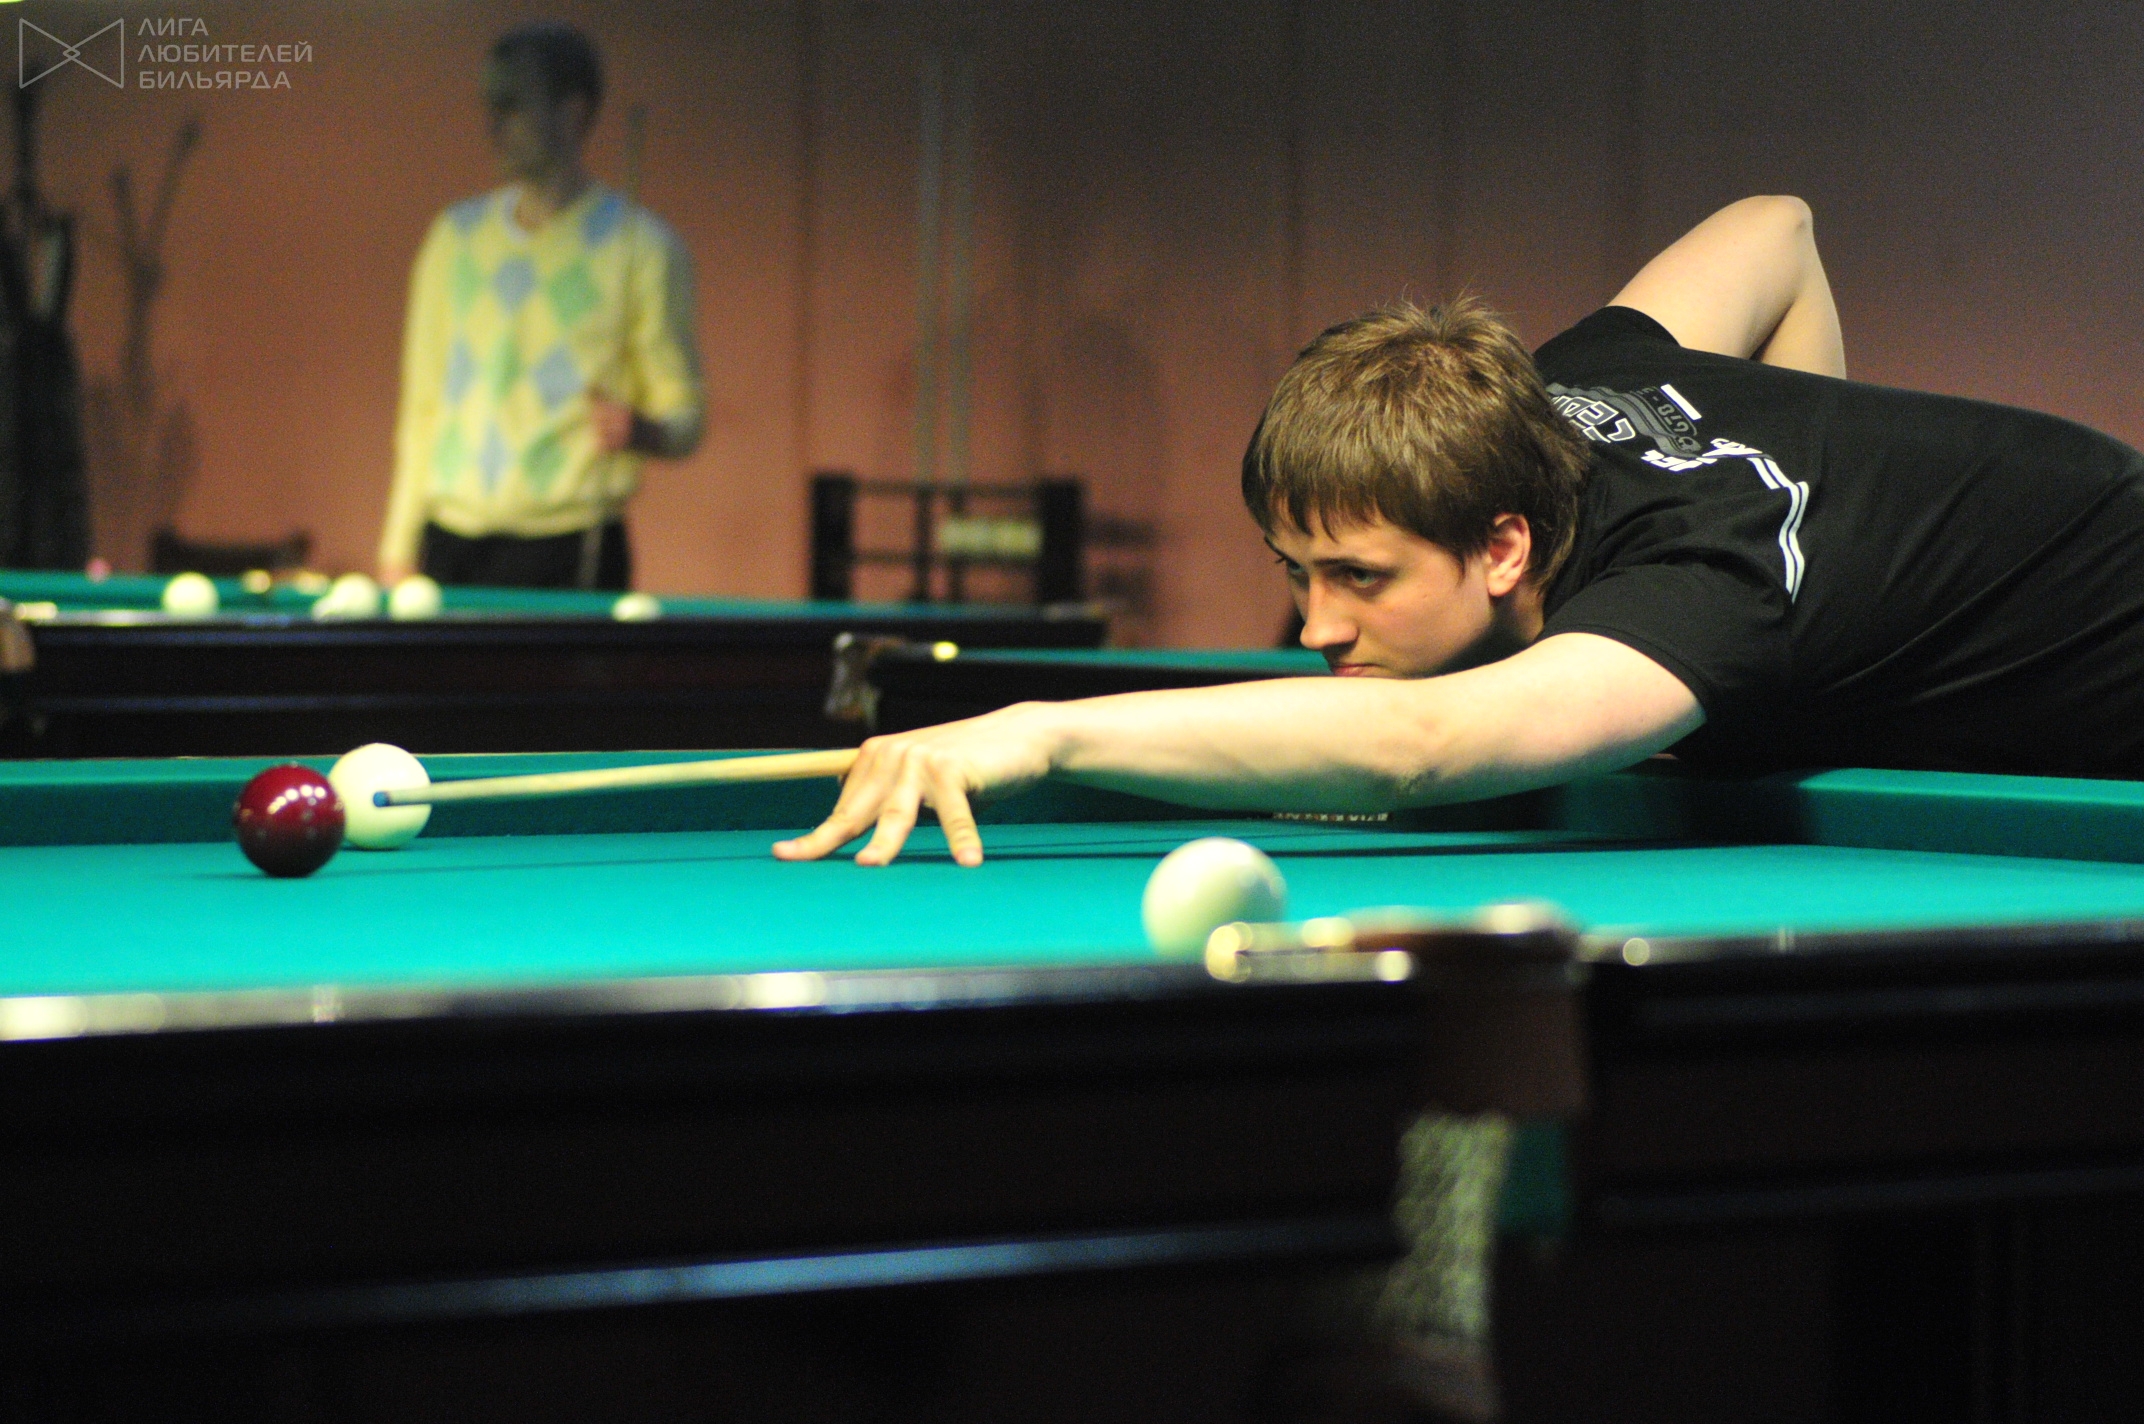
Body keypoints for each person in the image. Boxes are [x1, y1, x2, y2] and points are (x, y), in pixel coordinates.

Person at [774, 194, 2144, 867]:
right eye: (1297, 573)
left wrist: (1039, 731)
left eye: (1358, 578)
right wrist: (1832, 516)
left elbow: (1420, 746)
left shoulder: (1695, 582)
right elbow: (1774, 228)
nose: (1315, 628)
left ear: (1501, 549)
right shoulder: (1547, 399)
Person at [378, 21, 703, 591]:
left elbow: (685, 415)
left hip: (570, 548)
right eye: (490, 105)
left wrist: (646, 432)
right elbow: (422, 407)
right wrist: (397, 548)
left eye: (512, 105)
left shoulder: (641, 247)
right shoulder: (454, 239)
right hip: (450, 544)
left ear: (572, 113)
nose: (493, 125)